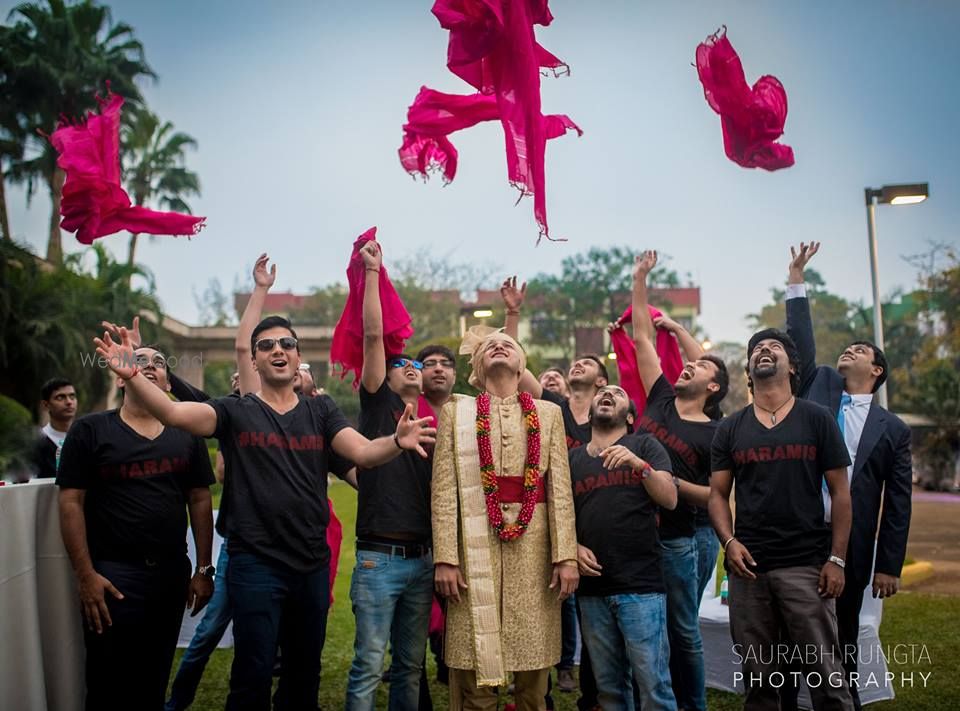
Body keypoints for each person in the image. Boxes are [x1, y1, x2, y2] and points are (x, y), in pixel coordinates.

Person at [92, 312, 435, 711]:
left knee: (304, 672)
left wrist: (395, 439)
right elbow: (173, 414)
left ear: (297, 357)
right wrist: (133, 376)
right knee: (252, 673)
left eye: (286, 345)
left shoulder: (320, 411)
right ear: (253, 360)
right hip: (256, 563)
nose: (278, 351)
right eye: (267, 346)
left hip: (310, 562)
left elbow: (362, 452)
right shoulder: (235, 410)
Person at [783, 242, 913, 711]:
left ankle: (845, 700)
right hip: (798, 530)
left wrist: (889, 565)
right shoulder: (819, 384)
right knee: (792, 628)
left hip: (852, 544)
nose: (850, 350)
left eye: (860, 350)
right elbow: (798, 340)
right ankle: (788, 700)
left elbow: (898, 503)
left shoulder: (893, 430)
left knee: (842, 627)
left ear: (876, 371)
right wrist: (796, 279)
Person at [57, 345, 215, 710]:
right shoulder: (90, 430)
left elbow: (200, 499)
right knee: (106, 681)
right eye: (139, 361)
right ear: (121, 376)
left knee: (154, 677)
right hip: (112, 576)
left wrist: (203, 569)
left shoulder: (186, 433)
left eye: (159, 363)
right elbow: (70, 502)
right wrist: (86, 576)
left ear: (168, 381)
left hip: (171, 574)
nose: (149, 367)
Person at [432, 329, 579, 710]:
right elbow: (444, 491)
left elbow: (559, 489)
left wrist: (566, 556)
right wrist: (446, 558)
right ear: (477, 369)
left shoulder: (548, 414)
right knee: (472, 671)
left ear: (521, 364)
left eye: (508, 344)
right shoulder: (456, 412)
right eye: (489, 346)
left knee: (533, 669)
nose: (499, 346)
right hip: (471, 549)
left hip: (534, 550)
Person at [709, 328, 855, 710]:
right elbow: (718, 496)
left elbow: (841, 493)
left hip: (806, 565)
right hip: (748, 572)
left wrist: (836, 559)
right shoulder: (731, 428)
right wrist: (729, 541)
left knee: (826, 677)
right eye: (757, 348)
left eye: (774, 347)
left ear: (792, 368)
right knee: (759, 680)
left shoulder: (817, 419)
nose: (764, 350)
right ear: (749, 368)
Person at [629, 251, 729, 711]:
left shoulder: (718, 433)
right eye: (689, 364)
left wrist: (663, 481)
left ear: (713, 389)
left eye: (701, 368)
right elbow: (642, 337)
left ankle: (693, 704)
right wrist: (640, 279)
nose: (687, 367)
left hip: (678, 538)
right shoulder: (661, 399)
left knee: (682, 629)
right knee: (640, 626)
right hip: (632, 529)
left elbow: (718, 497)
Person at [345, 240, 439, 711]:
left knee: (409, 666)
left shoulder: (433, 422)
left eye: (418, 366)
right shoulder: (378, 402)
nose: (413, 369)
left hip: (423, 560)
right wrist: (375, 275)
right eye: (405, 364)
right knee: (367, 663)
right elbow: (375, 338)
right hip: (378, 560)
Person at [503, 276, 603, 706]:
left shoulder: (607, 417)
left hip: (597, 524)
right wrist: (513, 314)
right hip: (553, 521)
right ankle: (550, 669)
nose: (577, 365)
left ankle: (591, 688)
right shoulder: (553, 409)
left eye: (588, 363)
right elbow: (512, 369)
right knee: (553, 600)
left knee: (597, 615)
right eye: (574, 363)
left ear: (603, 383)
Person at [572, 385, 679, 710]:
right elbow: (557, 515)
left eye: (618, 393)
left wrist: (639, 464)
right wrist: (572, 547)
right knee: (609, 691)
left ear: (630, 417)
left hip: (641, 586)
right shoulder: (571, 459)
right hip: (591, 591)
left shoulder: (644, 445)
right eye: (602, 392)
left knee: (654, 686)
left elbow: (670, 499)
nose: (608, 393)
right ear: (589, 413)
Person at [32, 377, 78, 478]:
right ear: (46, 405)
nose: (69, 402)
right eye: (60, 397)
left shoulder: (86, 438)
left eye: (72, 396)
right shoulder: (36, 443)